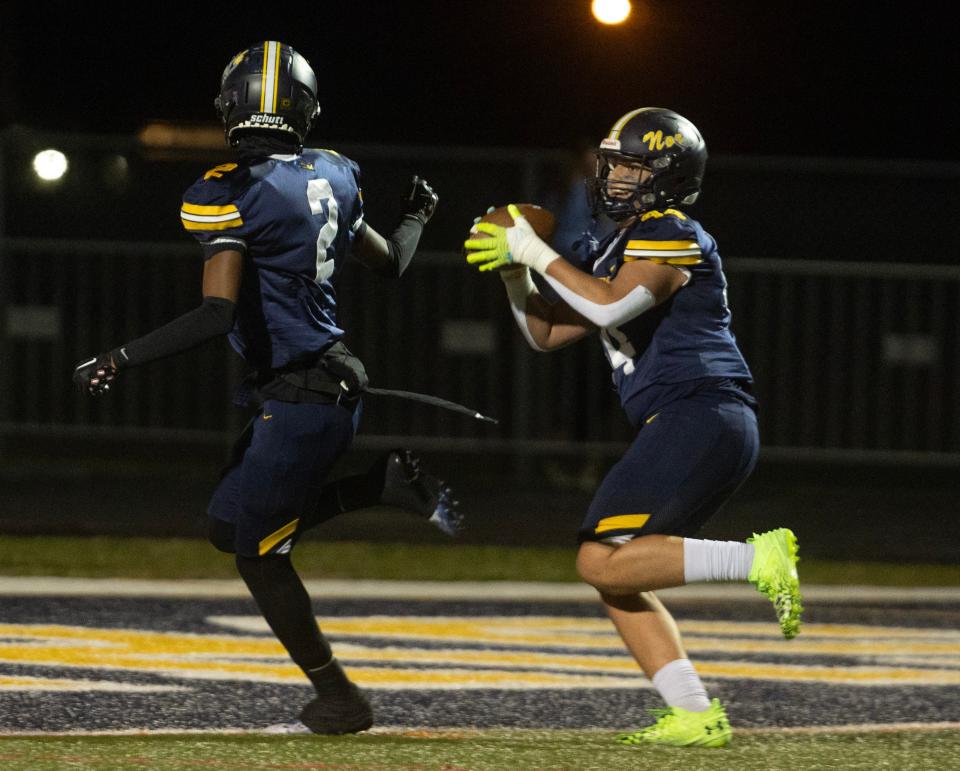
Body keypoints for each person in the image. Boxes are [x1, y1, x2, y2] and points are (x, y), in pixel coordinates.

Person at [73, 40, 460, 734]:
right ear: (304, 110)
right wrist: (418, 216)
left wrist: (122, 355)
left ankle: (339, 694)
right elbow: (392, 263)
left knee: (259, 551)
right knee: (228, 526)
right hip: (319, 388)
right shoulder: (335, 173)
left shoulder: (227, 188)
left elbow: (216, 311)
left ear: (232, 103)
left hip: (302, 397)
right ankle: (383, 486)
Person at [464, 107, 802, 749]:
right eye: (613, 163)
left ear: (667, 176)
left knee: (600, 559)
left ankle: (760, 558)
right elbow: (544, 333)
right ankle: (694, 714)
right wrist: (513, 273)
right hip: (689, 420)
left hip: (701, 411)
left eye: (631, 165)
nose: (614, 175)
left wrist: (533, 249)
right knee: (618, 574)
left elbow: (612, 303)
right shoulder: (612, 246)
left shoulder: (671, 230)